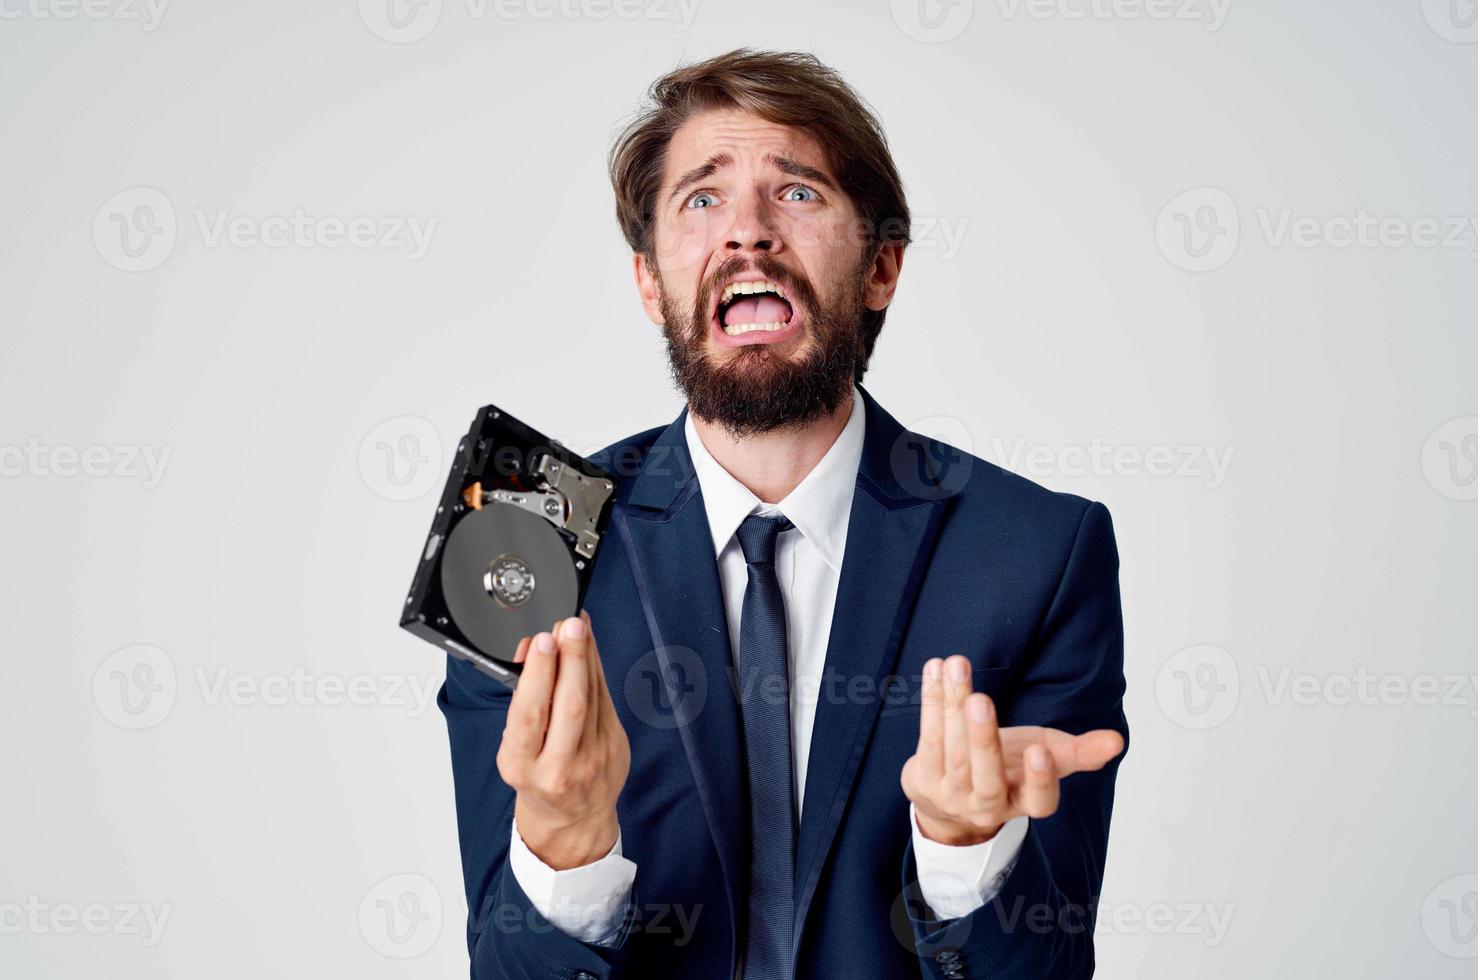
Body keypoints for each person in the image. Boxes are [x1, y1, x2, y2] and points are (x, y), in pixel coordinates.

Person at [439, 48, 1128, 980]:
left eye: (797, 194)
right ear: (651, 283)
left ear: (882, 266)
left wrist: (965, 854)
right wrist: (565, 847)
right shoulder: (523, 537)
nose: (748, 235)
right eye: (701, 200)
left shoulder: (1039, 554)